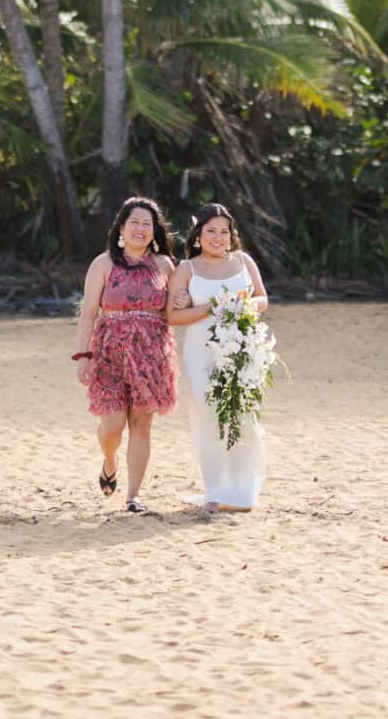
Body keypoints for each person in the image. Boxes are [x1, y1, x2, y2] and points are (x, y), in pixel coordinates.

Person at [71, 197, 178, 514]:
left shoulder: (163, 265)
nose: (141, 229)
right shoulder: (103, 264)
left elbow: (174, 309)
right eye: (135, 222)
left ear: (154, 231)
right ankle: (109, 460)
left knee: (142, 426)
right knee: (112, 427)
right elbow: (88, 312)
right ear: (121, 226)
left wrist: (184, 297)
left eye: (147, 224)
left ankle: (133, 496)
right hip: (109, 353)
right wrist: (84, 355)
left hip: (152, 354)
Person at [167, 202, 268, 512]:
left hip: (241, 346)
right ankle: (215, 489)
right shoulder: (187, 269)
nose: (218, 237)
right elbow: (172, 315)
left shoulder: (243, 261)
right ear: (198, 235)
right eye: (211, 230)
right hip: (201, 351)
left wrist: (242, 308)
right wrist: (214, 307)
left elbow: (262, 299)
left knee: (242, 415)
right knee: (208, 415)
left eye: (224, 231)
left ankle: (241, 490)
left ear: (231, 235)